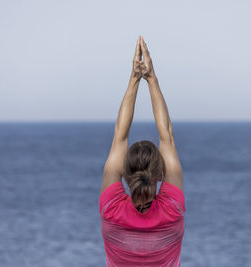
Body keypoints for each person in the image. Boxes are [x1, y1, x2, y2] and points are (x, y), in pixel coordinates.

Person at [99, 35, 185, 267]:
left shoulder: (111, 209)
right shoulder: (172, 210)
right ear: (160, 174)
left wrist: (134, 78)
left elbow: (120, 137)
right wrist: (151, 77)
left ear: (124, 174)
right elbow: (166, 135)